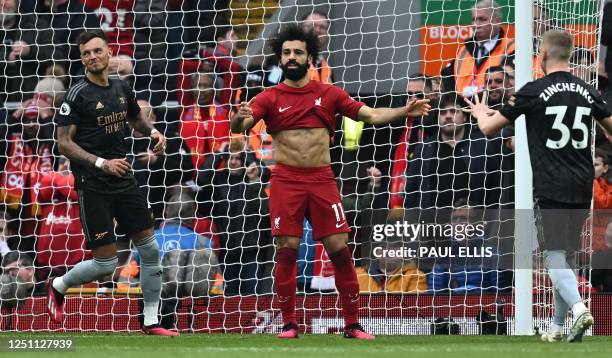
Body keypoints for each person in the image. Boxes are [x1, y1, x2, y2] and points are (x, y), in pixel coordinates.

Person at [230, 24, 430, 340]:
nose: (292, 57)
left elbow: (371, 116)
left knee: (340, 250)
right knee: (287, 251)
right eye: (286, 53)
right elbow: (240, 123)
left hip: (322, 180)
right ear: (280, 58)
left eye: (298, 52)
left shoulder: (329, 93)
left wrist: (405, 110)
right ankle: (289, 324)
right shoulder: (269, 97)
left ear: (310, 56)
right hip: (286, 181)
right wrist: (238, 118)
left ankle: (353, 324)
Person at [466, 29, 612, 343]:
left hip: (550, 183)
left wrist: (480, 112)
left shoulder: (534, 91)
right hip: (583, 182)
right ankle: (558, 327)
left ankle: (578, 308)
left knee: (552, 256)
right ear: (570, 55)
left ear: (542, 55)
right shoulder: (589, 91)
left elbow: (489, 128)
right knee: (568, 257)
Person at [49, 30, 177, 336]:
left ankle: (150, 321)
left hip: (124, 179)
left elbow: (135, 119)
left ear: (109, 53)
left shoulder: (122, 87)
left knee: (150, 250)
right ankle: (59, 285)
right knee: (106, 265)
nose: (92, 57)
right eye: (86, 54)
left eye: (96, 51)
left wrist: (154, 133)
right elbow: (63, 144)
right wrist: (100, 162)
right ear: (82, 59)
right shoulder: (76, 96)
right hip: (93, 185)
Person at [440, 0, 515, 98]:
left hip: (497, 109)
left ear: (497, 21)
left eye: (482, 19)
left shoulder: (512, 48)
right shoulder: (464, 50)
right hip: (464, 109)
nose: (476, 24)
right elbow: (446, 78)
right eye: (474, 19)